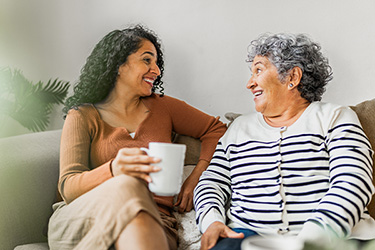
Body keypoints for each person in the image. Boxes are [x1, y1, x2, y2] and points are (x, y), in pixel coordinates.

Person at [47, 25, 227, 250]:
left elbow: (216, 129)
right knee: (127, 185)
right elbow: (68, 187)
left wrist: (197, 177)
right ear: (119, 65)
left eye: (156, 63)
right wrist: (114, 170)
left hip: (156, 221)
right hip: (89, 217)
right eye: (147, 60)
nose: (156, 70)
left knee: (138, 214)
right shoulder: (82, 116)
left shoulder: (164, 107)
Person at [194, 33, 375, 250]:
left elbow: (353, 181)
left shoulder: (334, 117)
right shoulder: (238, 129)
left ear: (292, 77)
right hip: (248, 238)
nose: (249, 83)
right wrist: (212, 221)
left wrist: (313, 238)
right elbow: (212, 182)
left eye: (259, 70)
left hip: (332, 238)